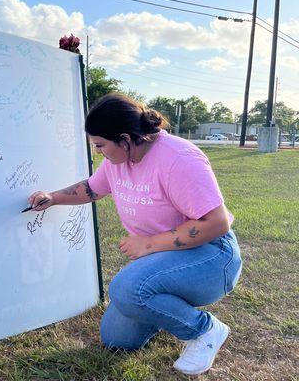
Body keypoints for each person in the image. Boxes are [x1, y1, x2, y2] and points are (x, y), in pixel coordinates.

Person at [27, 93, 242, 375]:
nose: (98, 152)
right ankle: (170, 309)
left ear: (126, 139)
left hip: (212, 257)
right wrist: (53, 198)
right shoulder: (118, 161)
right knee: (117, 339)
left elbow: (217, 223)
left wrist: (149, 244)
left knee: (126, 289)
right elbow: (91, 189)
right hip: (164, 257)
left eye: (101, 145)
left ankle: (205, 330)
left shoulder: (180, 158)